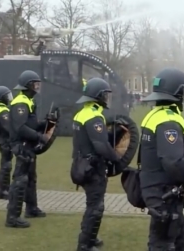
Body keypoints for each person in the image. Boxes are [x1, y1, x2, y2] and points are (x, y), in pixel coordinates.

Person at [139, 68, 184, 250]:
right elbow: (172, 161)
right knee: (162, 243)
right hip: (164, 194)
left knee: (181, 235)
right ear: (177, 92)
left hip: (155, 189)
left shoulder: (154, 115)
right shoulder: (168, 121)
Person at [71, 78, 119, 250]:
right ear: (98, 96)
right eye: (105, 95)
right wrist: (116, 159)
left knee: (92, 204)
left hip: (80, 165)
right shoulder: (94, 116)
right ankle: (85, 244)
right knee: (96, 207)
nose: (107, 98)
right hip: (92, 169)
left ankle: (90, 236)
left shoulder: (81, 113)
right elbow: (101, 145)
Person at [5, 70, 54, 228]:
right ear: (27, 86)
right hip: (22, 146)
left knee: (31, 178)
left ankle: (31, 208)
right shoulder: (20, 102)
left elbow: (31, 125)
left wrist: (46, 122)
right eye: (35, 84)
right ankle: (12, 217)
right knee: (20, 180)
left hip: (29, 146)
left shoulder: (28, 101)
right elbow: (21, 128)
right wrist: (40, 136)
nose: (37, 87)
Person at [0, 85, 14, 199]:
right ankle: (2, 190)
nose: (10, 97)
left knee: (5, 164)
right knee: (6, 165)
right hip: (5, 140)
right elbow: (7, 127)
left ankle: (3, 187)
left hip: (2, 140)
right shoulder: (2, 110)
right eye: (7, 96)